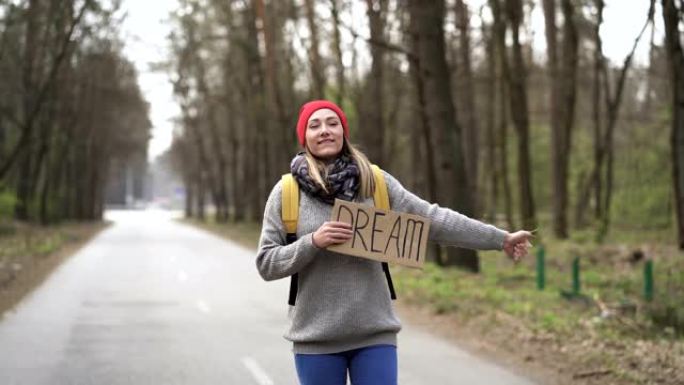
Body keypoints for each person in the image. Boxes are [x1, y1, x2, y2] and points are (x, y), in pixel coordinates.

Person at [256, 100, 533, 385]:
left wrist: (500, 239)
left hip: (375, 335)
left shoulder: (375, 182)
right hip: (315, 340)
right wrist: (312, 242)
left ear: (343, 132)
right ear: (305, 137)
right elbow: (266, 263)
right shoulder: (287, 192)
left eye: (332, 123)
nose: (324, 130)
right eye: (315, 125)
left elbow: (432, 219)